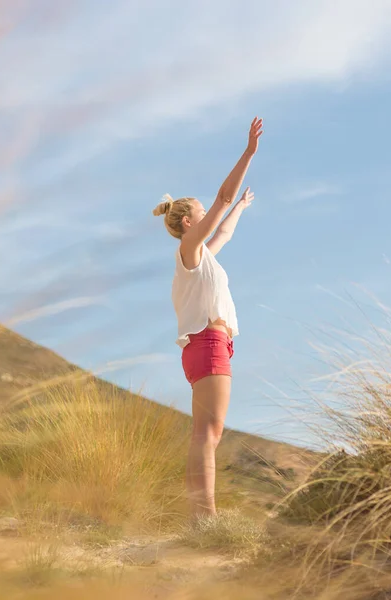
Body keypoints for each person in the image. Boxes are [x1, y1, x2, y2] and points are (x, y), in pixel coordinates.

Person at [152, 117, 263, 519]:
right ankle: (206, 517)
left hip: (205, 346)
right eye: (202, 213)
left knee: (205, 434)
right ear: (188, 223)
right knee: (208, 434)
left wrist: (241, 208)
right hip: (208, 344)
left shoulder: (200, 257)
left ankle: (198, 515)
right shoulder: (189, 249)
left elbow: (225, 232)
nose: (210, 213)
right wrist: (249, 153)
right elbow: (221, 197)